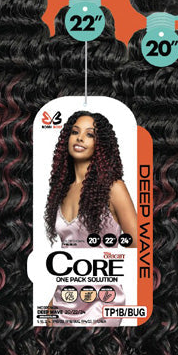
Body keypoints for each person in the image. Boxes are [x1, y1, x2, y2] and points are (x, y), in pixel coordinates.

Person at [44, 111, 137, 326]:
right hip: (62, 303)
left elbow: (139, 244)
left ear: (101, 144)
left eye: (90, 134)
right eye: (75, 132)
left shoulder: (114, 188)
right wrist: (51, 305)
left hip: (100, 307)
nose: (79, 138)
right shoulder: (61, 190)